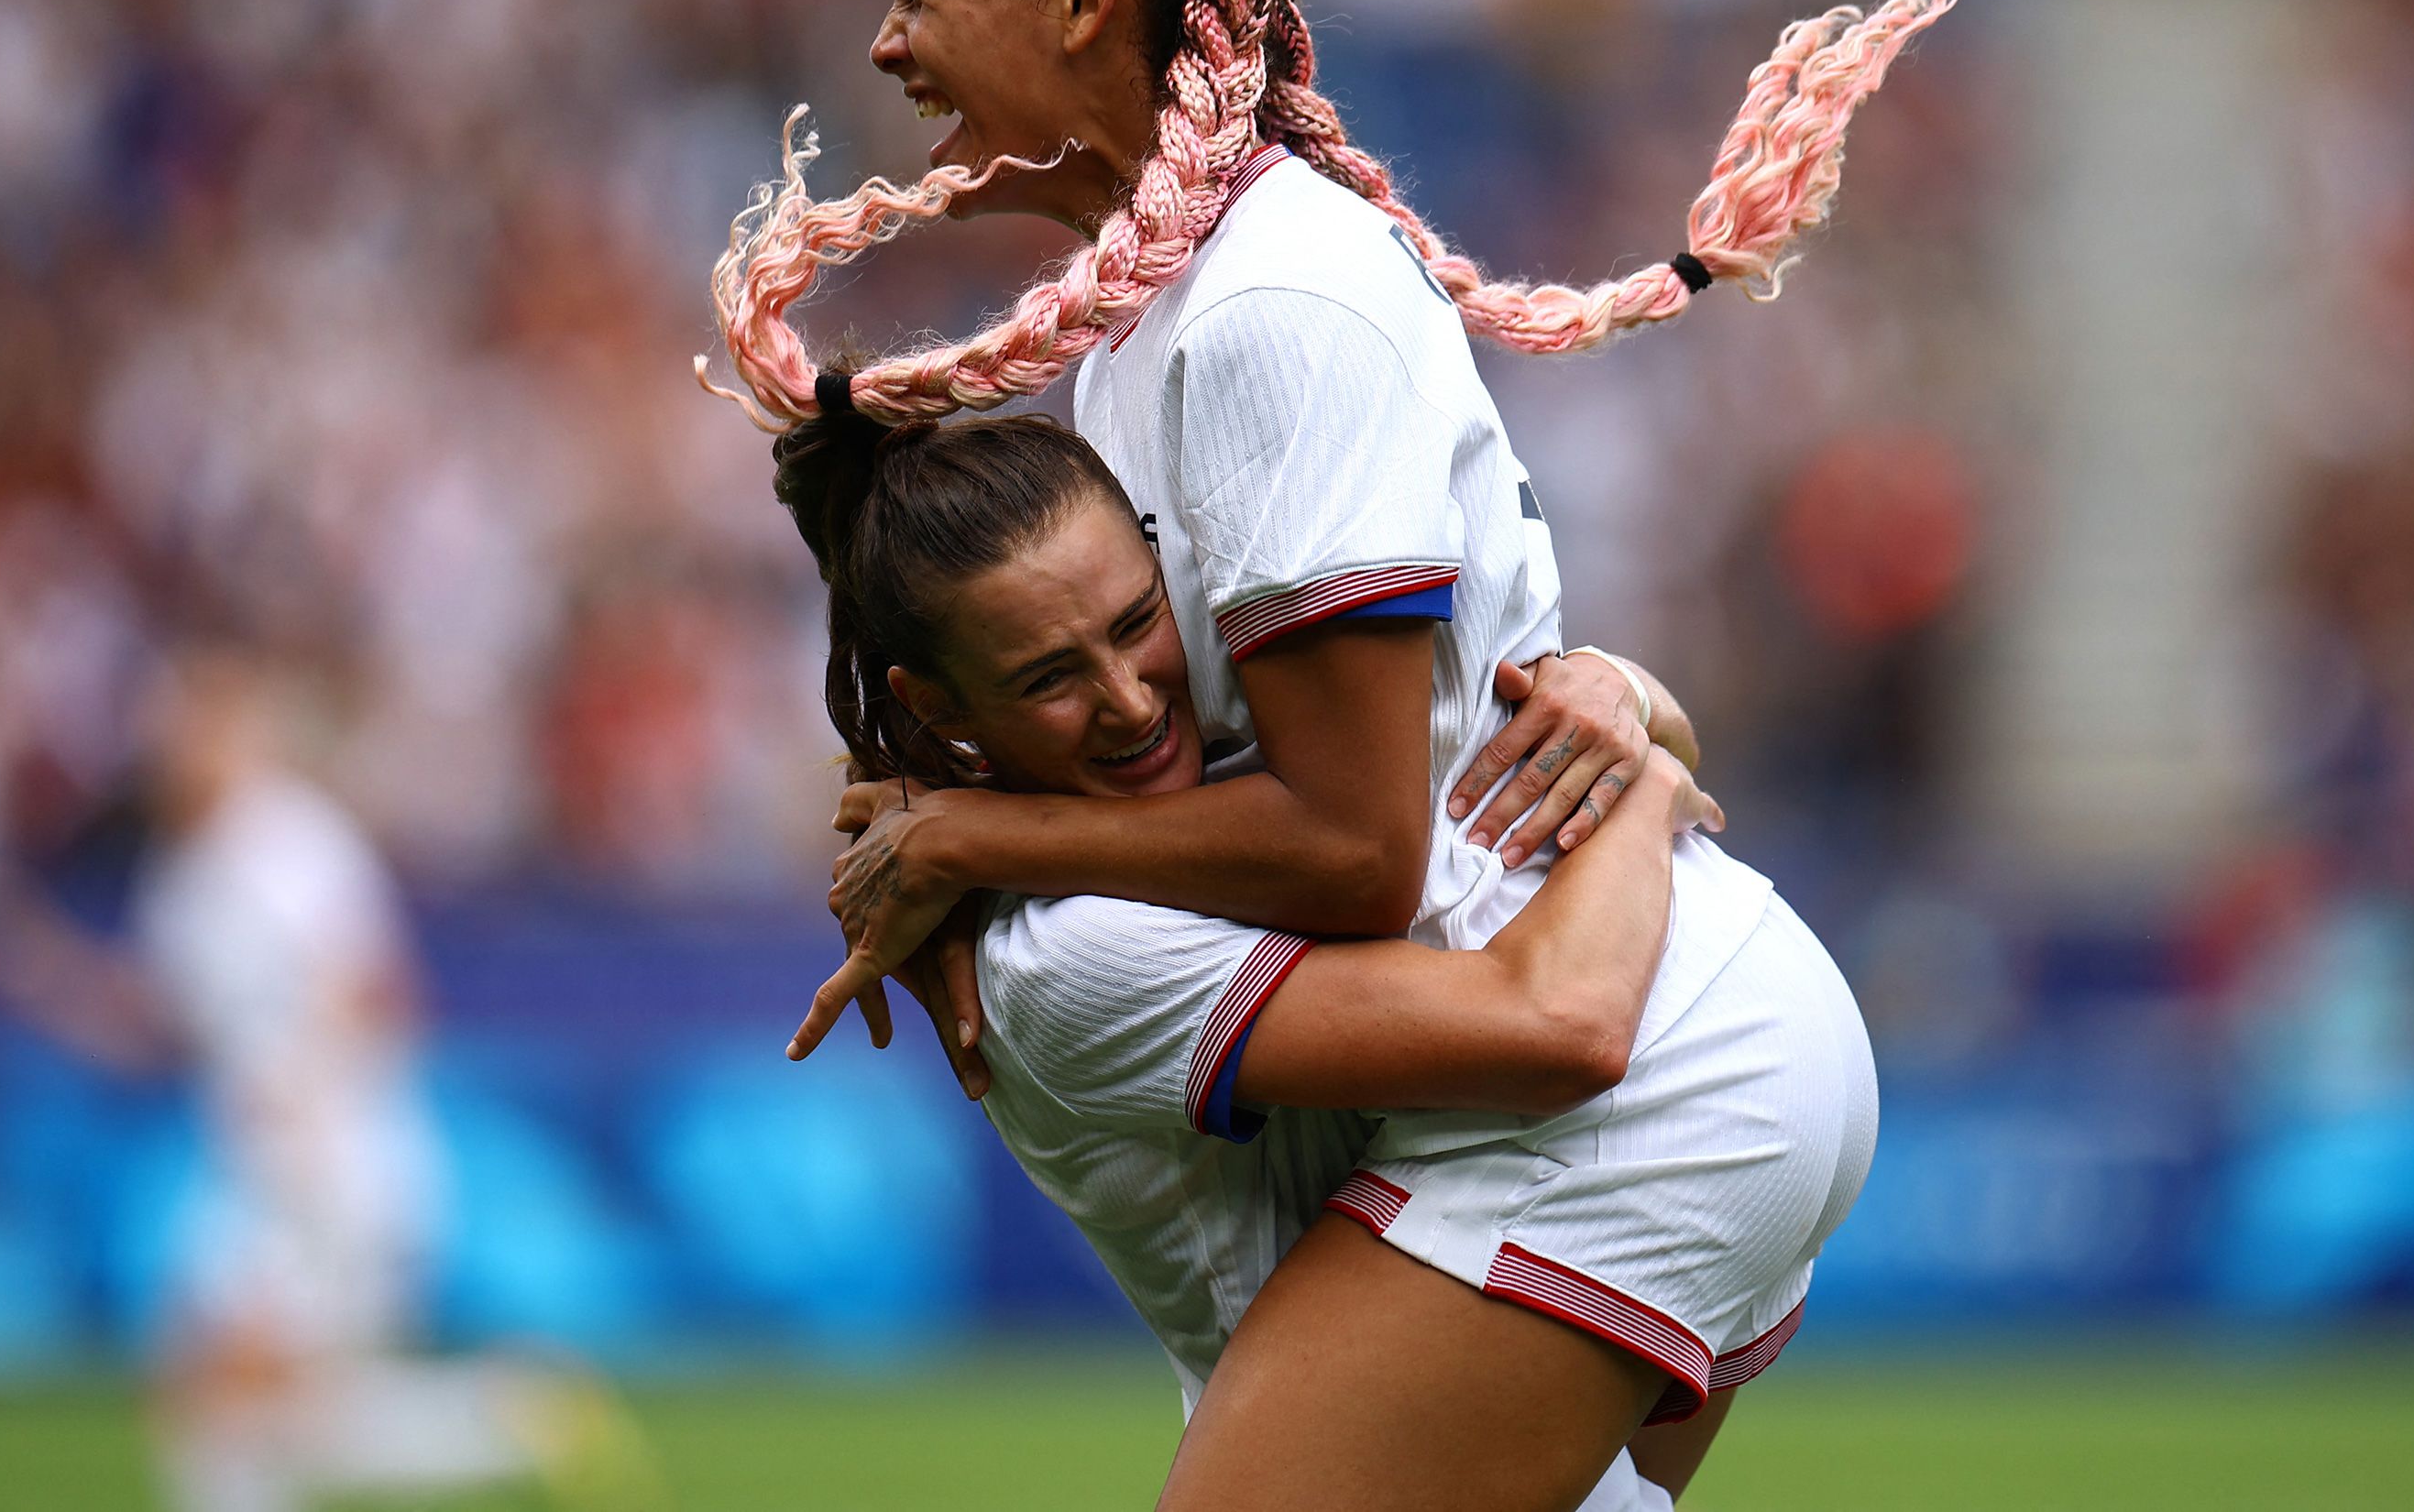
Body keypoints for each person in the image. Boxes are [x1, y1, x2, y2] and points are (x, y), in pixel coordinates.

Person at [708, 0, 2042, 1507]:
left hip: (1611, 1059)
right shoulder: (1158, 329)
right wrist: (1627, 700)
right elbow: (1449, 717)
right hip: (1574, 1034)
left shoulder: (1269, 304)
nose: (886, 48)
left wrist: (984, 837)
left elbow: (1354, 843)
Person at [772, 406, 1815, 1512]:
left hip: (1436, 1368)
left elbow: (1589, 741)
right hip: (1401, 1401)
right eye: (1048, 677)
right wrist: (1647, 789)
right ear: (935, 707)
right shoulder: (1056, 955)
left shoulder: (1224, 781)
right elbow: (1563, 1021)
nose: (1129, 700)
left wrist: (1618, 688)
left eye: (1136, 621)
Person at [0, 648, 652, 1512]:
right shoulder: (179, 882)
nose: (181, 748)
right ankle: (516, 1416)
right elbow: (153, 1034)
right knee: (242, 1402)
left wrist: (313, 1094)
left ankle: (515, 1417)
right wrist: (43, 973)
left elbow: (376, 986)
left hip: (334, 1161)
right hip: (259, 1170)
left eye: (198, 727)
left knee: (243, 1398)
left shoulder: (287, 839)